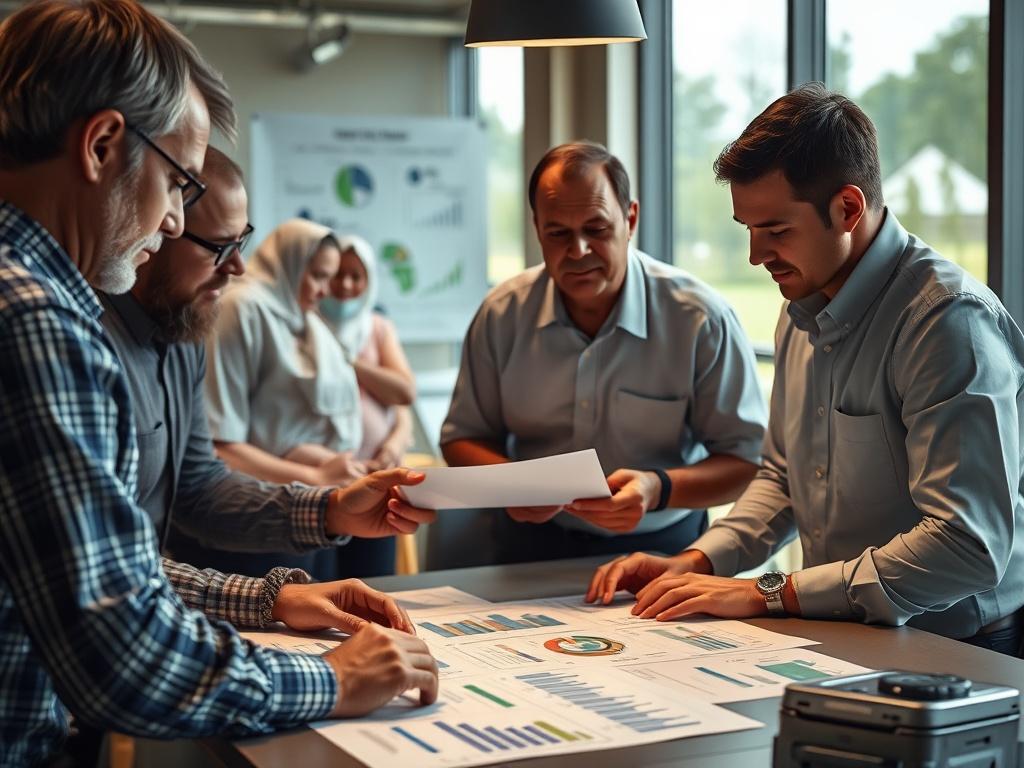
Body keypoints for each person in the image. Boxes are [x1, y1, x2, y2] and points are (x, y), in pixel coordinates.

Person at [0, 3, 436, 765]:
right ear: (103, 144)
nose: (171, 221)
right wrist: (326, 681)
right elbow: (119, 650)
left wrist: (269, 596)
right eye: (175, 182)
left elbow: (88, 564)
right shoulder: (38, 320)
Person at [586, 83, 1024, 656]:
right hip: (846, 634)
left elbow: (966, 546)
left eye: (775, 230)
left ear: (848, 208)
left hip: (967, 648)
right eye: (748, 229)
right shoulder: (799, 309)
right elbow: (784, 480)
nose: (754, 254)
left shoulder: (946, 323)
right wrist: (695, 561)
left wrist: (768, 592)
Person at [103, 147, 431, 588]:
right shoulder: (87, 337)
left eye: (241, 243)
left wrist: (331, 508)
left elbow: (199, 488)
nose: (237, 267)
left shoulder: (185, 329)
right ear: (158, 232)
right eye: (220, 247)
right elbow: (106, 575)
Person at [440, 141, 766, 565]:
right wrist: (513, 486)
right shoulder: (502, 314)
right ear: (537, 228)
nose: (578, 252)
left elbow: (745, 461)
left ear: (630, 219)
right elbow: (462, 437)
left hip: (663, 546)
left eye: (596, 229)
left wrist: (657, 488)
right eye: (558, 233)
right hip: (528, 544)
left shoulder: (699, 319)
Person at [194, 219, 385, 580]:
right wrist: (314, 473)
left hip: (307, 502)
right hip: (256, 507)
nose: (324, 290)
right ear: (288, 264)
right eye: (316, 275)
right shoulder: (244, 309)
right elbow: (221, 442)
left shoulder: (303, 321)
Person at [318, 235, 418, 575]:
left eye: (356, 276)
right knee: (320, 586)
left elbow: (403, 394)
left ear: (369, 281)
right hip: (319, 490)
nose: (346, 284)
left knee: (374, 583)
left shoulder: (377, 328)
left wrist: (349, 363)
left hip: (375, 483)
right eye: (337, 274)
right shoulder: (304, 324)